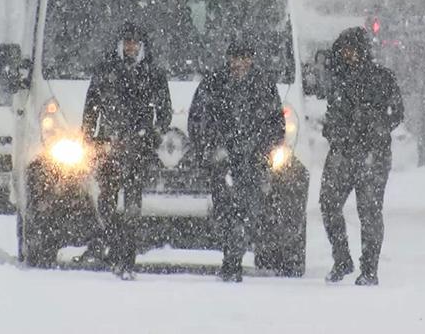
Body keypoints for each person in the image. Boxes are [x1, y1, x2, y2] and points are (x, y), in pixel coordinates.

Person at [187, 40, 285, 282]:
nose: (239, 63)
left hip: (252, 161)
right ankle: (231, 257)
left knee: (246, 211)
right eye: (235, 58)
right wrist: (208, 150)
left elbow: (276, 123)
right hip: (223, 161)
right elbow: (197, 119)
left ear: (251, 60)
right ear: (228, 59)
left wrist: (264, 151)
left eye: (244, 58)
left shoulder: (263, 85)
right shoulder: (213, 83)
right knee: (225, 211)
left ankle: (233, 261)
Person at [81, 21, 172, 279]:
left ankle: (127, 257)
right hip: (110, 145)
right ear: (121, 44)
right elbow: (91, 107)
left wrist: (152, 136)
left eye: (135, 42)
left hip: (138, 149)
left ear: (142, 46)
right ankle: (115, 247)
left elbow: (164, 112)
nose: (131, 47)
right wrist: (90, 138)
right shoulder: (105, 71)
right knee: (107, 202)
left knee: (132, 206)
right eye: (127, 42)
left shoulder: (153, 73)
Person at [320, 27, 404, 286]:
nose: (348, 55)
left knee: (368, 211)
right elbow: (333, 114)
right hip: (343, 152)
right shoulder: (338, 79)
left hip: (372, 154)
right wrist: (335, 132)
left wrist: (374, 126)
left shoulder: (381, 78)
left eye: (352, 49)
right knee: (328, 203)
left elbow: (396, 112)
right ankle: (342, 258)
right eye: (344, 50)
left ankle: (369, 269)